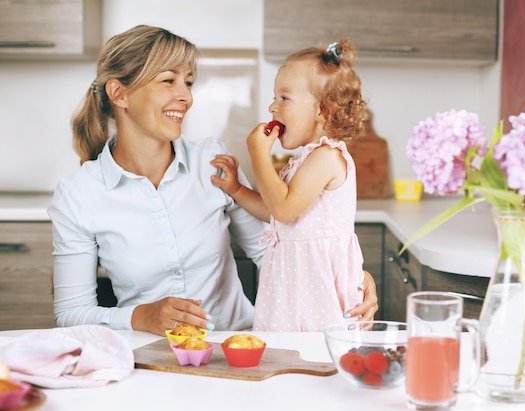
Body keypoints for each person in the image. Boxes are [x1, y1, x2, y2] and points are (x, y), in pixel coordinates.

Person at [48, 25, 378, 337]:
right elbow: (72, 314)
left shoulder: (213, 162)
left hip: (239, 349)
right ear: (119, 94)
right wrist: (139, 317)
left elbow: (275, 248)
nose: (185, 97)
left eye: (188, 83)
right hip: (152, 358)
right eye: (168, 81)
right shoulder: (78, 196)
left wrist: (348, 278)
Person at [211, 39, 369, 331]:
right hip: (293, 286)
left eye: (284, 98)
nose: (272, 106)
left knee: (318, 358)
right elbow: (277, 211)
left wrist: (258, 154)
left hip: (316, 288)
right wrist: (237, 190)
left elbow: (283, 209)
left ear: (323, 110)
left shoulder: (327, 157)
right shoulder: (303, 159)